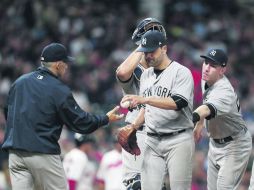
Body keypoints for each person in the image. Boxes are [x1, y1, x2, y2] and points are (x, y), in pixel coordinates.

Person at [1, 43, 124, 190]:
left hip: (16, 154)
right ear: (58, 65)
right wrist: (105, 118)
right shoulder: (58, 89)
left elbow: (8, 112)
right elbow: (80, 122)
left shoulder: (19, 82)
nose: (67, 67)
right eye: (65, 63)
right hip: (42, 153)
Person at [121, 30, 195, 190]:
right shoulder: (146, 75)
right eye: (145, 52)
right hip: (153, 140)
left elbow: (178, 102)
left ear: (164, 49)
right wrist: (133, 126)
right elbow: (147, 109)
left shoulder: (181, 72)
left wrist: (144, 99)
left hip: (178, 139)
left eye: (152, 51)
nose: (148, 56)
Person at [116, 17, 167, 190]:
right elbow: (122, 72)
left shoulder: (170, 71)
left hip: (161, 134)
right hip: (138, 134)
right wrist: (144, 42)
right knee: (135, 185)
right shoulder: (135, 70)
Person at [192, 48, 252, 190]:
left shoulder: (224, 91)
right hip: (216, 142)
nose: (206, 68)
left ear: (222, 70)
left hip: (235, 145)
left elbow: (205, 109)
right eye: (205, 62)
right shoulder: (207, 78)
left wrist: (190, 119)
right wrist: (200, 124)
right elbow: (205, 104)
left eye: (213, 65)